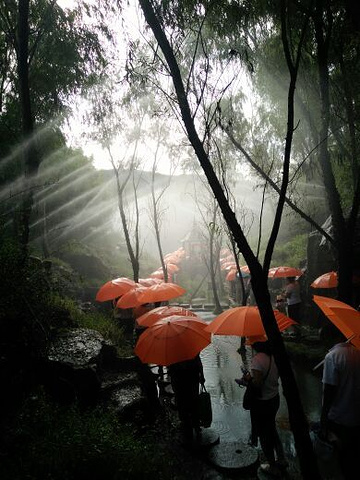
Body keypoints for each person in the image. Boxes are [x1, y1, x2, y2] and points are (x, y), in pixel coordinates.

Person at [320, 325, 360, 479]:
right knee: (353, 457)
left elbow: (329, 391)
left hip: (338, 418)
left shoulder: (332, 357)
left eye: (324, 339)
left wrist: (324, 420)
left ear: (331, 337)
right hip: (355, 416)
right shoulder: (356, 353)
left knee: (338, 459)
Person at [242, 339, 286, 477]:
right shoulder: (274, 357)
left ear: (256, 346)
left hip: (262, 403)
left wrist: (247, 379)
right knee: (272, 428)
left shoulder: (257, 360)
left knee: (264, 434)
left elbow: (258, 385)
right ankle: (282, 459)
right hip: (274, 398)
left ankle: (272, 466)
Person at [168, 354, 205, 446]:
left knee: (183, 407)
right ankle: (196, 427)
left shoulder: (171, 352)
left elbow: (171, 371)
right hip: (192, 381)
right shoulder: (191, 347)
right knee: (194, 404)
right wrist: (202, 375)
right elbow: (198, 362)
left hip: (180, 384)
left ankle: (188, 431)